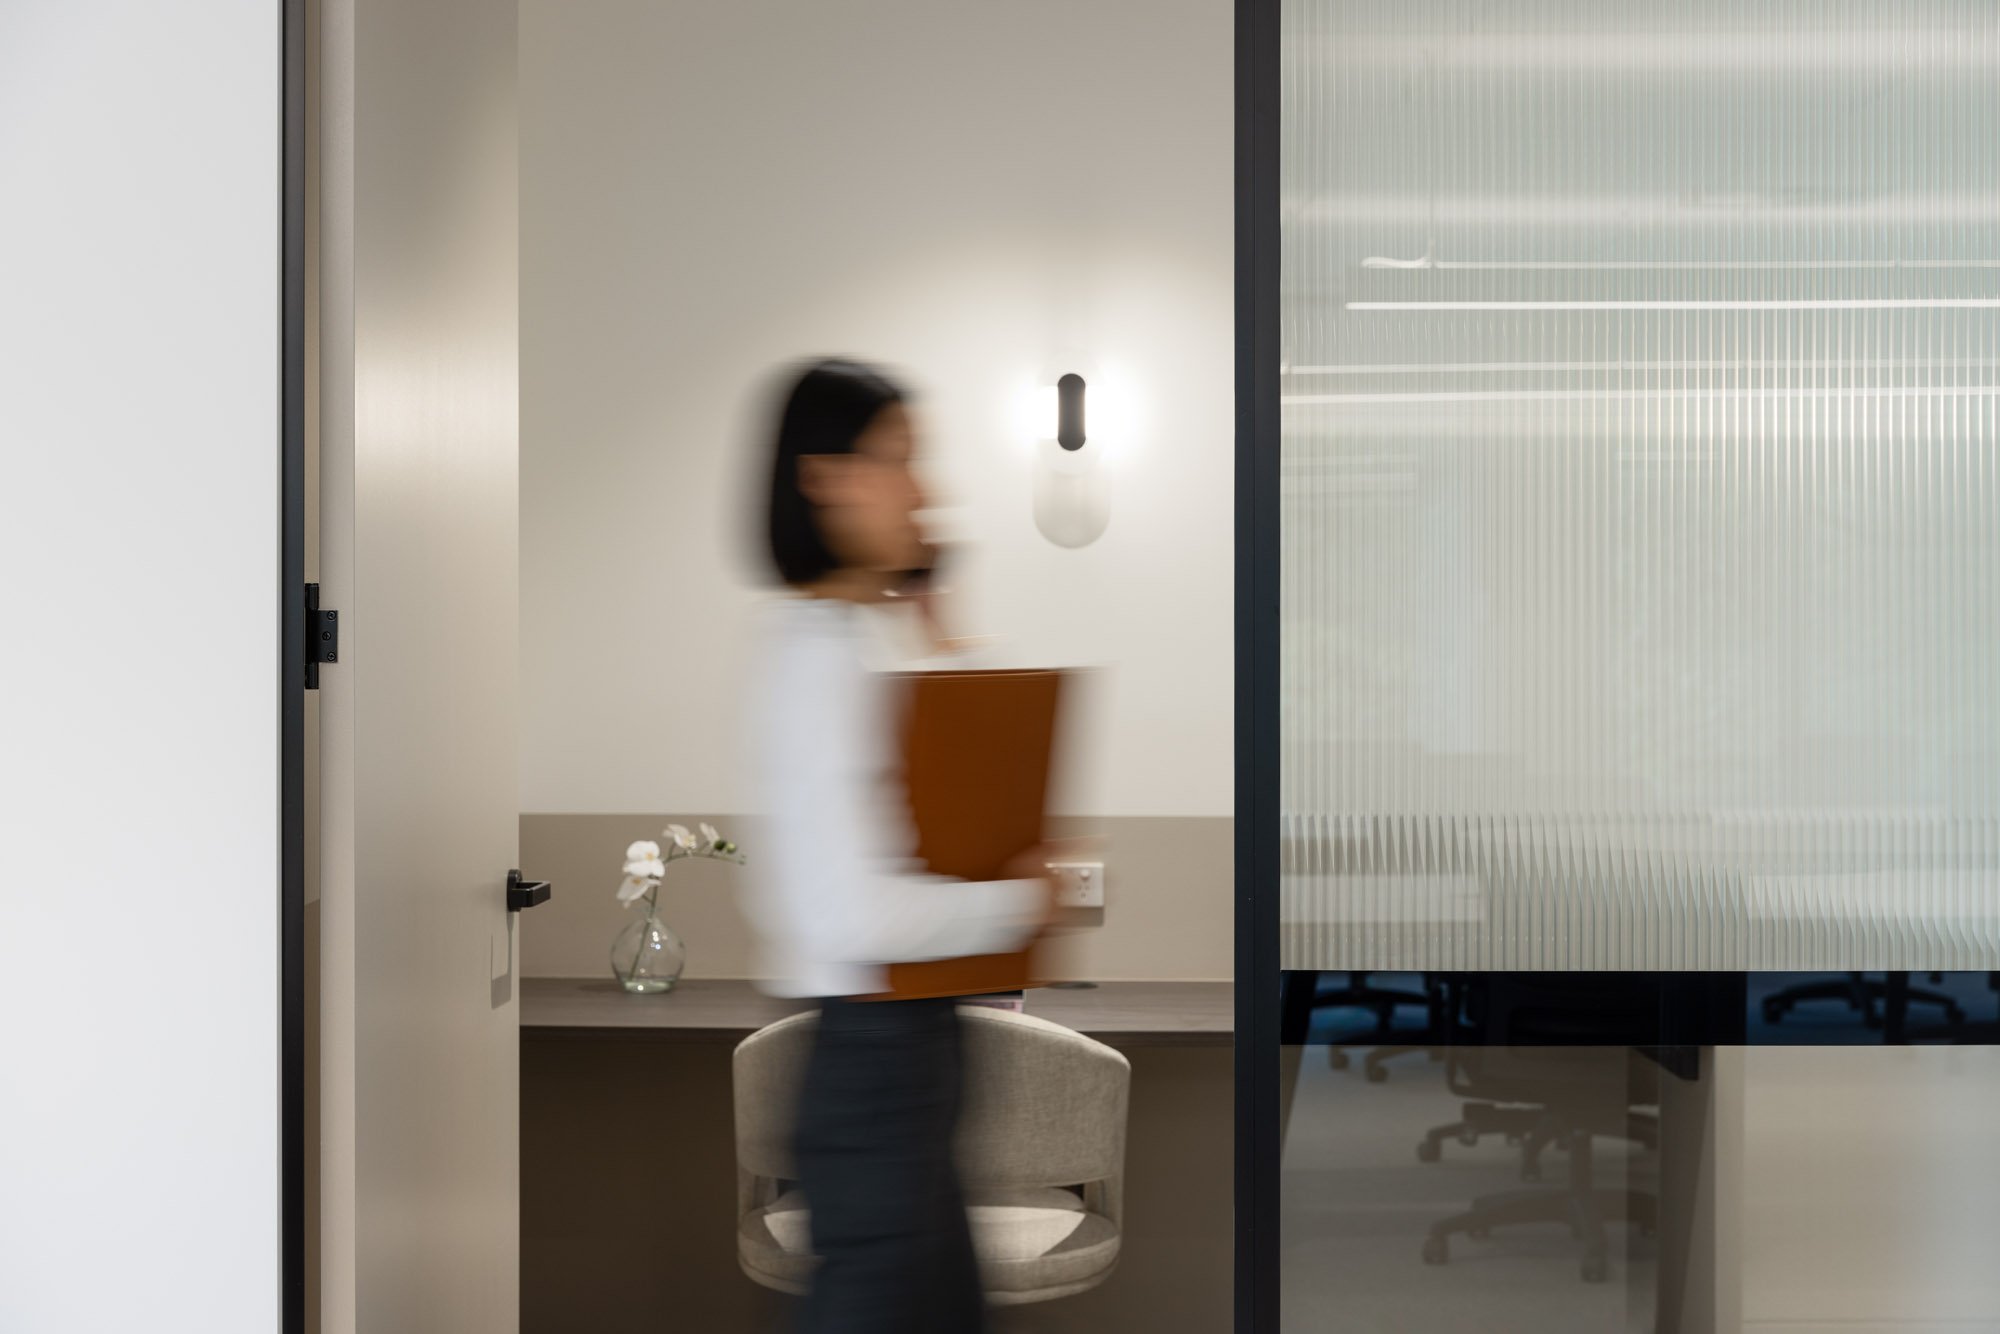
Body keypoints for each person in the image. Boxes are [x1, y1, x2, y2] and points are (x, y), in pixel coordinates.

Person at [745, 358, 1059, 1334]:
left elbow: (963, 781)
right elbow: (847, 911)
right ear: (822, 478)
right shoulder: (811, 661)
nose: (923, 491)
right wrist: (1019, 902)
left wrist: (937, 619)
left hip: (902, 1079)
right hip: (872, 1079)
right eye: (895, 460)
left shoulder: (848, 646)